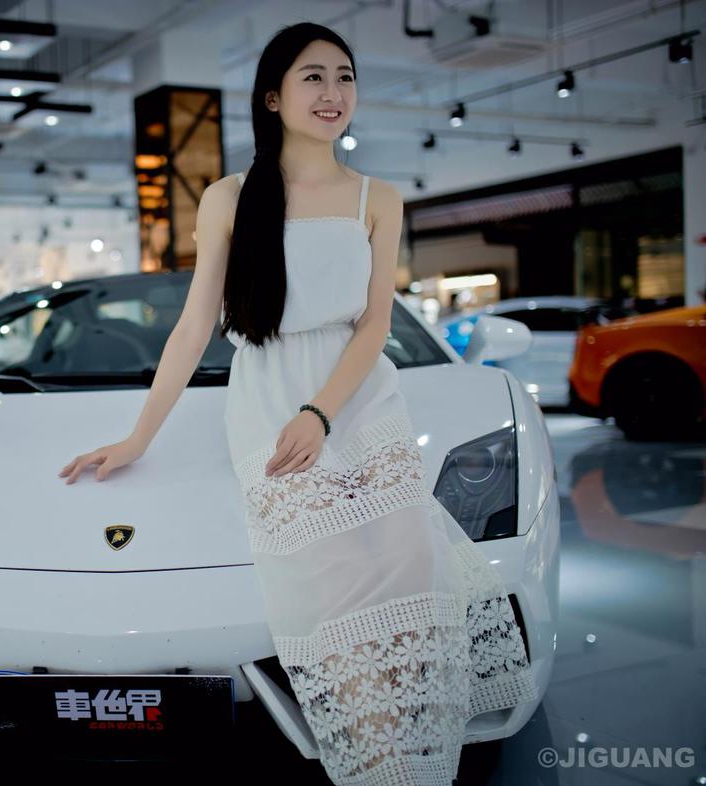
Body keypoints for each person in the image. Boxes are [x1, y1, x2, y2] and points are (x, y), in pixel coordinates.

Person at [58, 22, 536, 786]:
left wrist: (321, 414)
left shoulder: (379, 197)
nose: (333, 92)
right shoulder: (228, 197)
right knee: (336, 590)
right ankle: (380, 765)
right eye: (313, 76)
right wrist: (139, 436)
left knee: (412, 571)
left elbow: (375, 324)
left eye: (345, 76)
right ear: (274, 97)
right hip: (268, 396)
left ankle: (416, 759)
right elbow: (194, 326)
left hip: (361, 394)